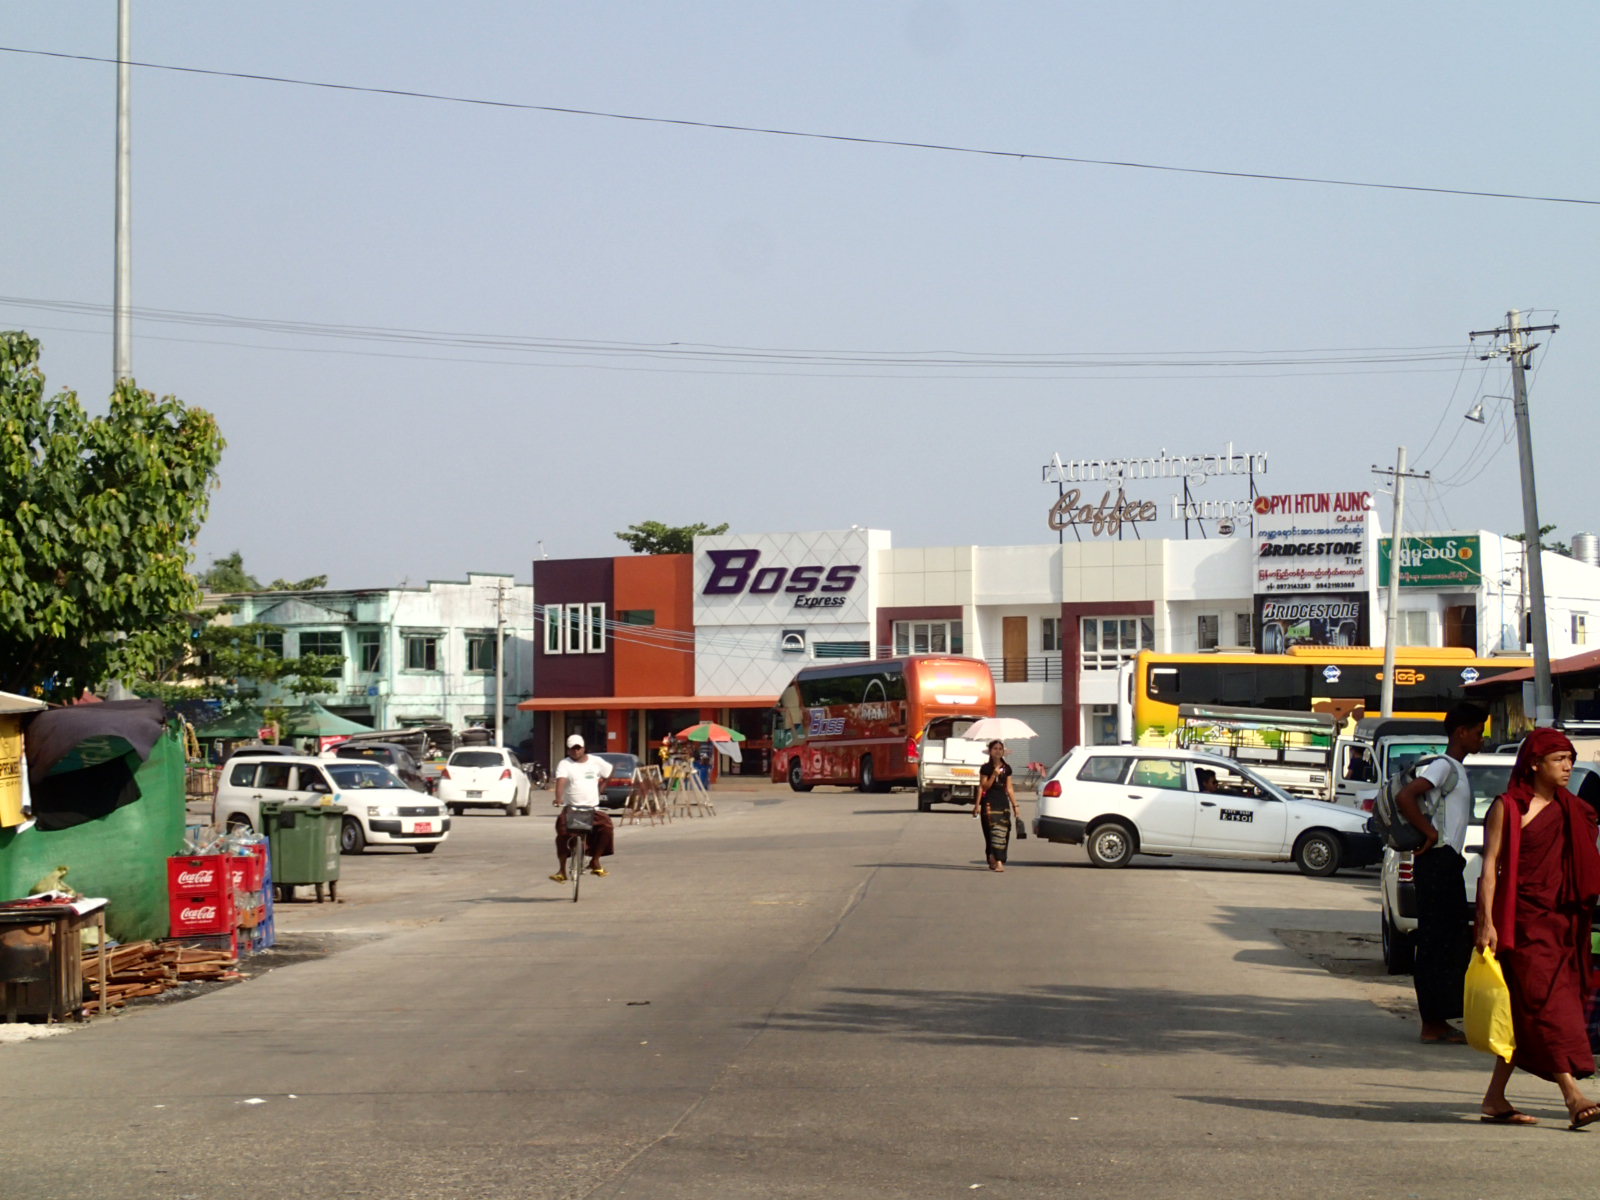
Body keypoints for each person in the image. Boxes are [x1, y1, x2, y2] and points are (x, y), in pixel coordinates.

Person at [1474, 729, 1600, 1128]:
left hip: (1564, 924)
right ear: (1534, 763)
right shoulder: (1509, 807)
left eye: (1570, 758)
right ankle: (1573, 1095)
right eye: (1558, 759)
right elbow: (1489, 869)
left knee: (1521, 1012)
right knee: (1545, 1007)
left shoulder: (1573, 809)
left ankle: (1495, 1098)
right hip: (1523, 923)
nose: (1568, 766)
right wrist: (1486, 923)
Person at [1393, 701, 1486, 1043]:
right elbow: (1407, 796)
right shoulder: (1443, 766)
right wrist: (1430, 834)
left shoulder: (1455, 768)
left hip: (1448, 862)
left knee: (1449, 940)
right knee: (1435, 942)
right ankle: (1432, 1023)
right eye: (1477, 733)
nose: (1481, 740)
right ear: (1461, 732)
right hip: (1438, 860)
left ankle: (1440, 1019)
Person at [551, 734, 614, 882]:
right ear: (568, 750)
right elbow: (561, 781)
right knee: (562, 832)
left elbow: (610, 771)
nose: (575, 751)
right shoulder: (565, 764)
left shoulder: (595, 761)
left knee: (607, 827)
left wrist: (602, 787)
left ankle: (595, 860)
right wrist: (559, 798)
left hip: (592, 808)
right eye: (572, 749)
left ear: (584, 748)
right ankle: (561, 870)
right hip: (571, 808)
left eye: (578, 748)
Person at [972, 740, 1020, 872]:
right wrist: (977, 806)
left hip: (1002, 803)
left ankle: (999, 860)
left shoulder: (1007, 768)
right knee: (991, 833)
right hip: (988, 803)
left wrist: (1015, 806)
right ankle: (992, 856)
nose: (998, 751)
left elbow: (1009, 788)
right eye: (995, 748)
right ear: (990, 751)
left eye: (1000, 748)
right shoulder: (986, 768)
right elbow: (984, 787)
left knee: (1003, 832)